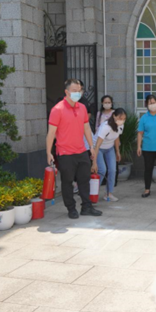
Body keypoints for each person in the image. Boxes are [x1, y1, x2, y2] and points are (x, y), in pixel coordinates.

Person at [46, 78, 102, 219]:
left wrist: (91, 146)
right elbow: (51, 134)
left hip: (81, 150)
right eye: (74, 91)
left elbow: (86, 129)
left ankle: (86, 207)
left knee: (84, 180)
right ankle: (71, 208)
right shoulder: (57, 109)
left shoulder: (82, 108)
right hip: (65, 153)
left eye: (79, 91)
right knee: (68, 182)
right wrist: (48, 152)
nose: (77, 93)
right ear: (66, 92)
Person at [91, 108, 125, 202]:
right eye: (119, 117)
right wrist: (94, 162)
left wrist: (117, 151)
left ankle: (108, 193)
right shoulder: (106, 127)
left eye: (123, 118)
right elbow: (97, 145)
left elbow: (117, 137)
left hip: (110, 148)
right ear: (114, 116)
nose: (121, 120)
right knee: (102, 169)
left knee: (113, 170)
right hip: (99, 148)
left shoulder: (121, 125)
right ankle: (93, 192)